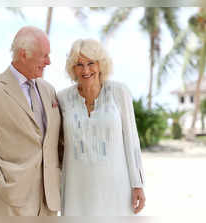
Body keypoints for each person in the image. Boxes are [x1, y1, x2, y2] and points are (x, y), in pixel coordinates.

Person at [0, 26, 62, 216]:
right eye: (44, 55)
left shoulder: (49, 90)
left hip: (49, 200)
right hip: (10, 199)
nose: (49, 62)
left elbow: (55, 141)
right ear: (23, 54)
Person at [57, 39, 146, 216]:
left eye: (91, 63)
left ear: (101, 65)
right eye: (79, 64)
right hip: (76, 188)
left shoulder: (119, 92)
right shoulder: (62, 98)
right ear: (73, 69)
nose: (86, 70)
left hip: (116, 188)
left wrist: (138, 183)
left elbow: (131, 139)